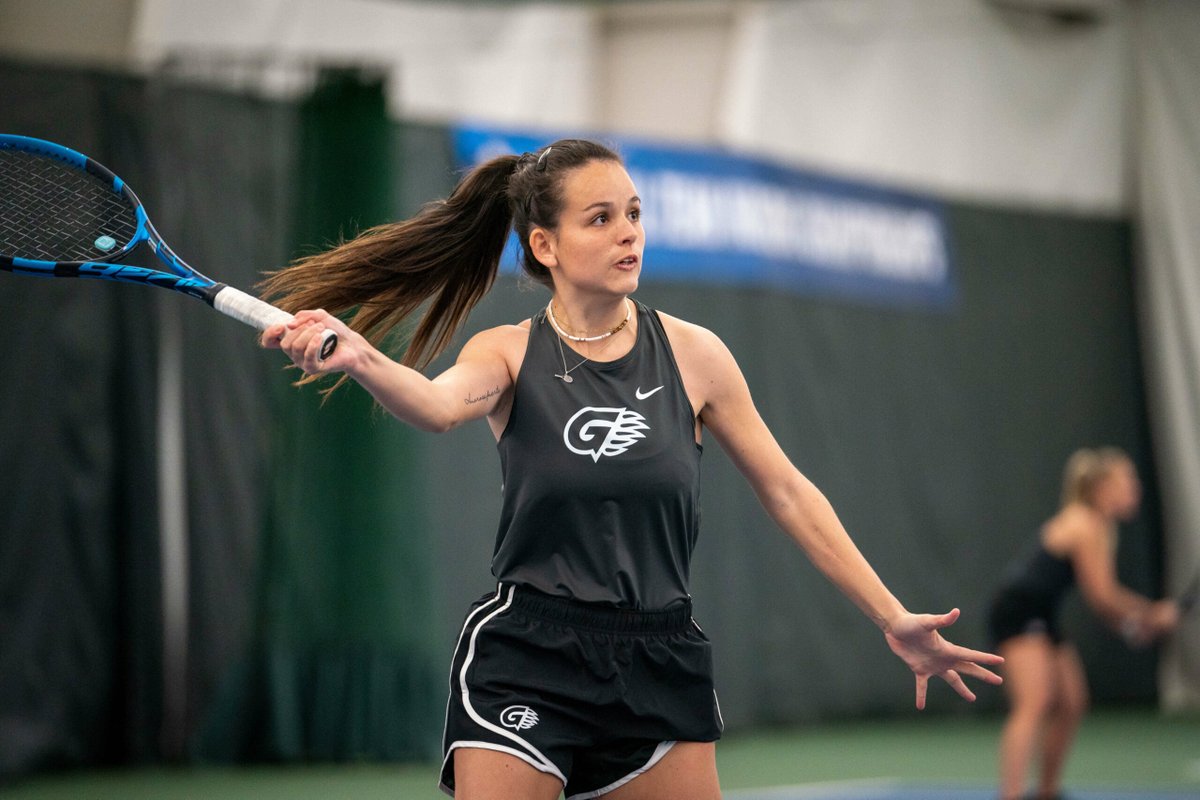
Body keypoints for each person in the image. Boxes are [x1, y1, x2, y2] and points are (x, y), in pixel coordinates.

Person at [259, 139, 1004, 800]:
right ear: (545, 246)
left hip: (657, 657)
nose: (628, 235)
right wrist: (360, 357)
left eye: (635, 214)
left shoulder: (696, 355)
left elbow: (787, 491)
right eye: (602, 218)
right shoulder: (508, 352)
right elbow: (434, 404)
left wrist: (892, 617)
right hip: (529, 655)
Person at [986, 447, 1180, 800]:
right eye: (1128, 480)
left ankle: (1047, 792)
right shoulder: (1085, 524)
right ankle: (1010, 795)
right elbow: (1103, 598)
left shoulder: (1100, 526)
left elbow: (1107, 607)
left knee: (1073, 701)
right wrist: (1152, 614)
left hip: (1043, 614)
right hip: (1018, 611)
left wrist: (1134, 625)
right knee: (1034, 703)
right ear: (1102, 488)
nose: (1135, 487)